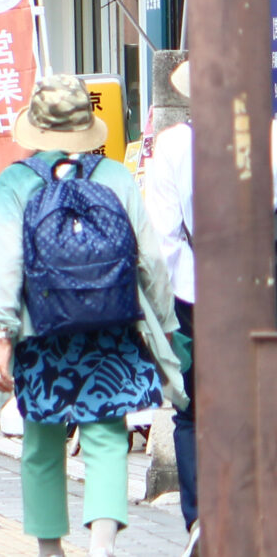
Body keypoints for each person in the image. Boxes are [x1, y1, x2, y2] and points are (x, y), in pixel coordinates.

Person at [0, 75, 185, 557]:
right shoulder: (114, 175)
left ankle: (51, 549)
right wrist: (165, 326)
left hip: (40, 332)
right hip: (111, 325)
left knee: (42, 439)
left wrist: (3, 332)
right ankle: (101, 548)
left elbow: (6, 260)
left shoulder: (16, 180)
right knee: (106, 436)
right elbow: (151, 260)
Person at [139, 60, 196, 537]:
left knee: (192, 410)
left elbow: (163, 239)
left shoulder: (174, 144)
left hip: (193, 300)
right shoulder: (269, 135)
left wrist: (164, 311)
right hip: (262, 295)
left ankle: (202, 519)